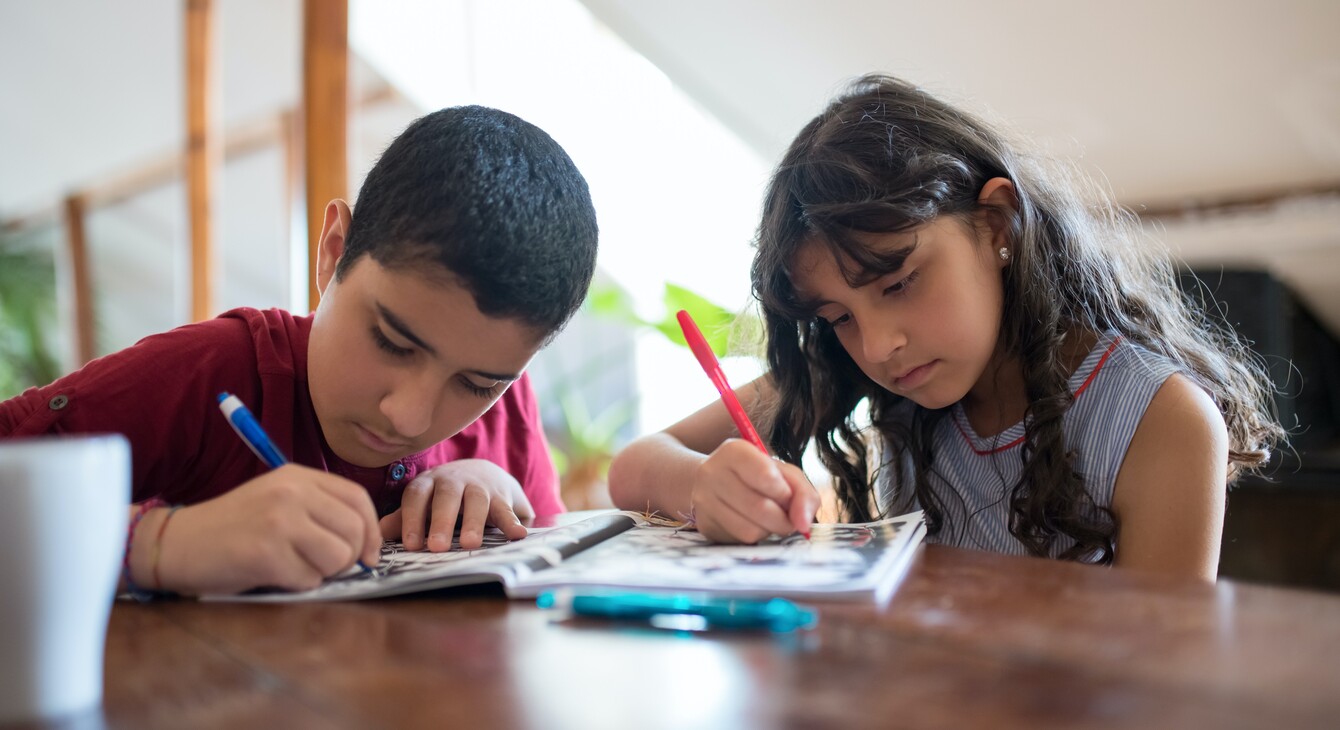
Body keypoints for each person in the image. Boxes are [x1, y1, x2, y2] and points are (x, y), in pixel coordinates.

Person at [608, 74, 1282, 581]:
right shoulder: (864, 371)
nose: (876, 346)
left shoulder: (1159, 422)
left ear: (996, 225)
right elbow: (635, 466)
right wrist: (702, 487)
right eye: (838, 317)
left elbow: (1162, 689)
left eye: (899, 284)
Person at [0, 105, 598, 596]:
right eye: (392, 341)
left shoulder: (506, 411)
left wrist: (504, 506)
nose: (409, 416)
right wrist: (159, 545)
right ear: (333, 252)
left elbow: (547, 586)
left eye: (476, 385)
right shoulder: (210, 376)